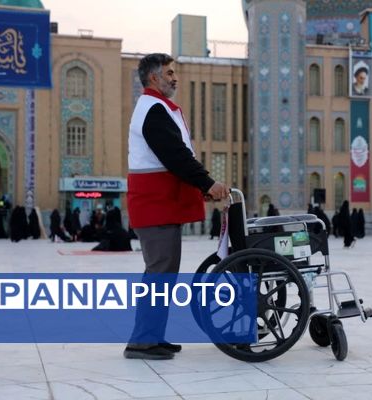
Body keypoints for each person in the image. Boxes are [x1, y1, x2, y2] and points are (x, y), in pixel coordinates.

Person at [125, 53, 229, 360]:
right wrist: (207, 183)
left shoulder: (159, 108)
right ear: (154, 78)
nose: (175, 78)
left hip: (161, 202)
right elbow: (176, 156)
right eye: (169, 73)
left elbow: (177, 156)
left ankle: (152, 336)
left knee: (164, 272)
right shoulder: (153, 110)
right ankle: (142, 341)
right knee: (159, 272)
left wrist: (201, 187)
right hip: (155, 203)